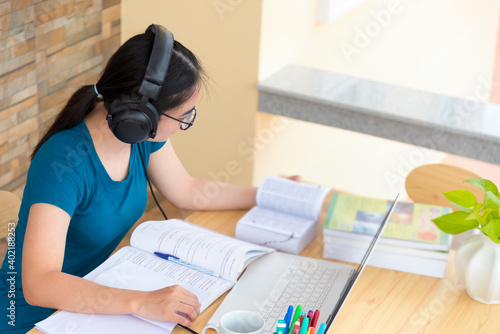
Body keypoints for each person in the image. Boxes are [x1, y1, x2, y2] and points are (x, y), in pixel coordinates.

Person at [0, 24, 299, 333]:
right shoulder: (62, 165)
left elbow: (187, 191)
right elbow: (39, 284)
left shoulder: (138, 136)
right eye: (183, 116)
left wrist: (269, 194)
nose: (184, 125)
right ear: (140, 114)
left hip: (94, 302)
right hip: (32, 321)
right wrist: (140, 302)